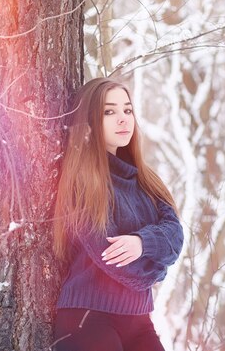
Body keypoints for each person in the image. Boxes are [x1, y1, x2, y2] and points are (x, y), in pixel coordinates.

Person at [50, 77, 184, 351]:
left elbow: (175, 234)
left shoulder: (145, 180)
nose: (122, 119)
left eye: (127, 110)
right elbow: (110, 257)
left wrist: (142, 243)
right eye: (109, 112)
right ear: (88, 122)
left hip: (138, 319)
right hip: (88, 319)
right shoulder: (83, 181)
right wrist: (158, 268)